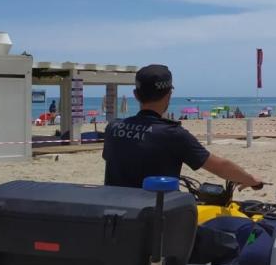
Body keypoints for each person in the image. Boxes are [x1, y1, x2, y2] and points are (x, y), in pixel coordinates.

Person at [103, 64, 263, 189]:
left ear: (136, 95)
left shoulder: (113, 128)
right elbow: (219, 166)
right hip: (155, 221)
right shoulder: (172, 134)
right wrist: (251, 179)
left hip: (116, 219)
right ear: (169, 94)